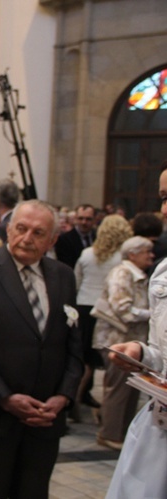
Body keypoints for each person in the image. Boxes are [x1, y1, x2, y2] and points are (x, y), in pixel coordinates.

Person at [0, 199, 83, 499]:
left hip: (46, 418)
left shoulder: (63, 275)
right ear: (8, 230)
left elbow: (73, 344)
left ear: (52, 240)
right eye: (21, 229)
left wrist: (63, 396)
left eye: (38, 233)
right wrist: (5, 397)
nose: (27, 239)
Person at [105, 163, 167, 498]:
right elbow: (162, 352)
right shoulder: (164, 272)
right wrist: (141, 353)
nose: (164, 209)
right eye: (162, 197)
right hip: (161, 430)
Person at [91, 236, 153, 450]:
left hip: (132, 342)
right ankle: (110, 434)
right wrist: (154, 314)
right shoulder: (122, 273)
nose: (151, 256)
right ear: (133, 254)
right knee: (118, 389)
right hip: (116, 341)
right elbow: (123, 310)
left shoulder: (137, 274)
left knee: (130, 390)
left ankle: (121, 432)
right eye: (147, 252)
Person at [73, 214, 133, 411]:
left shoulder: (87, 253)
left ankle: (75, 399)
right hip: (106, 311)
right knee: (107, 362)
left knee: (84, 359)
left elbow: (77, 280)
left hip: (84, 306)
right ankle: (105, 407)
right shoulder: (122, 259)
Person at [55, 203, 97, 268]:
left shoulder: (98, 237)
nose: (84, 222)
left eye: (88, 219)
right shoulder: (64, 239)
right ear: (76, 218)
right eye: (80, 218)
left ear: (94, 220)